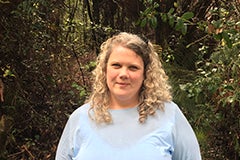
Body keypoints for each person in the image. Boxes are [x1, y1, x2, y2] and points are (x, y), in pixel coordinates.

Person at [55, 32, 202, 160]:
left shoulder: (169, 115)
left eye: (133, 67)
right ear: (105, 70)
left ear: (146, 74)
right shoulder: (80, 118)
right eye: (116, 65)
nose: (123, 74)